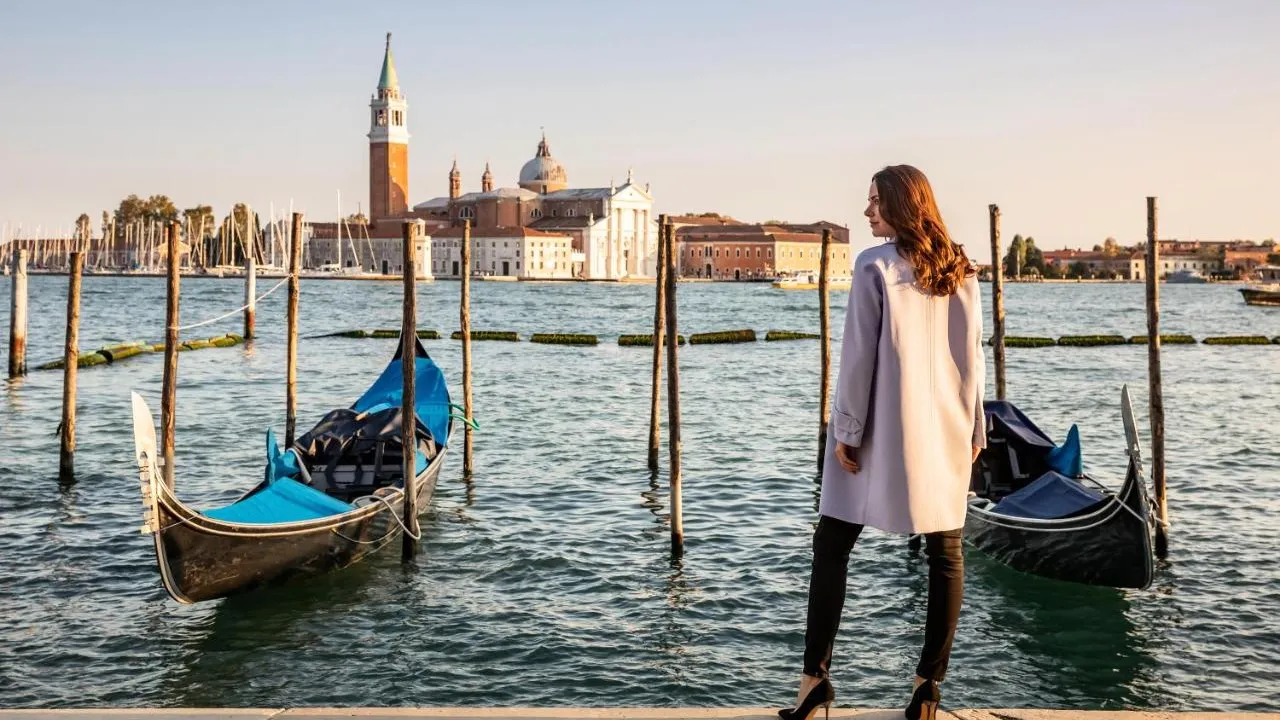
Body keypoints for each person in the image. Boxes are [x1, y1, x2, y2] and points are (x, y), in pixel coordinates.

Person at [779, 165, 986, 720]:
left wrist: (846, 431)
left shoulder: (874, 264)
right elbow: (975, 359)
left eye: (875, 201)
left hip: (880, 430)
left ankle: (814, 683)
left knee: (832, 544)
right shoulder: (961, 268)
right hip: (947, 427)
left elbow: (858, 358)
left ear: (901, 203)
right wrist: (976, 428)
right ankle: (928, 690)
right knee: (946, 554)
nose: (867, 211)